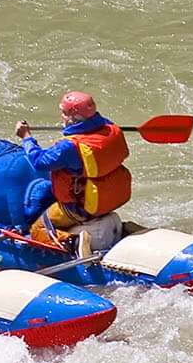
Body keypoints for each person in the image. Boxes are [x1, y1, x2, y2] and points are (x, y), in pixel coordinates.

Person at [14, 91, 131, 254]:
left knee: (38, 229)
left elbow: (39, 162)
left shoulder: (69, 147)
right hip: (109, 197)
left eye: (64, 113)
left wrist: (26, 137)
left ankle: (73, 242)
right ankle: (124, 229)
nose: (62, 117)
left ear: (73, 118)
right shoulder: (111, 129)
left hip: (78, 207)